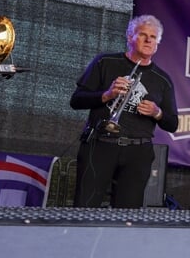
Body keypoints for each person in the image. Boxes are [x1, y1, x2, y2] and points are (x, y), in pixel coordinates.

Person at [69, 15, 178, 208]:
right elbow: (76, 100)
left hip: (138, 151)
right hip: (100, 145)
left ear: (157, 44)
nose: (148, 40)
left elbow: (172, 124)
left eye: (153, 37)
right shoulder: (105, 62)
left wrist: (157, 112)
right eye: (143, 34)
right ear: (129, 37)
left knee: (126, 215)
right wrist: (107, 95)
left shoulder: (163, 79)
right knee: (85, 207)